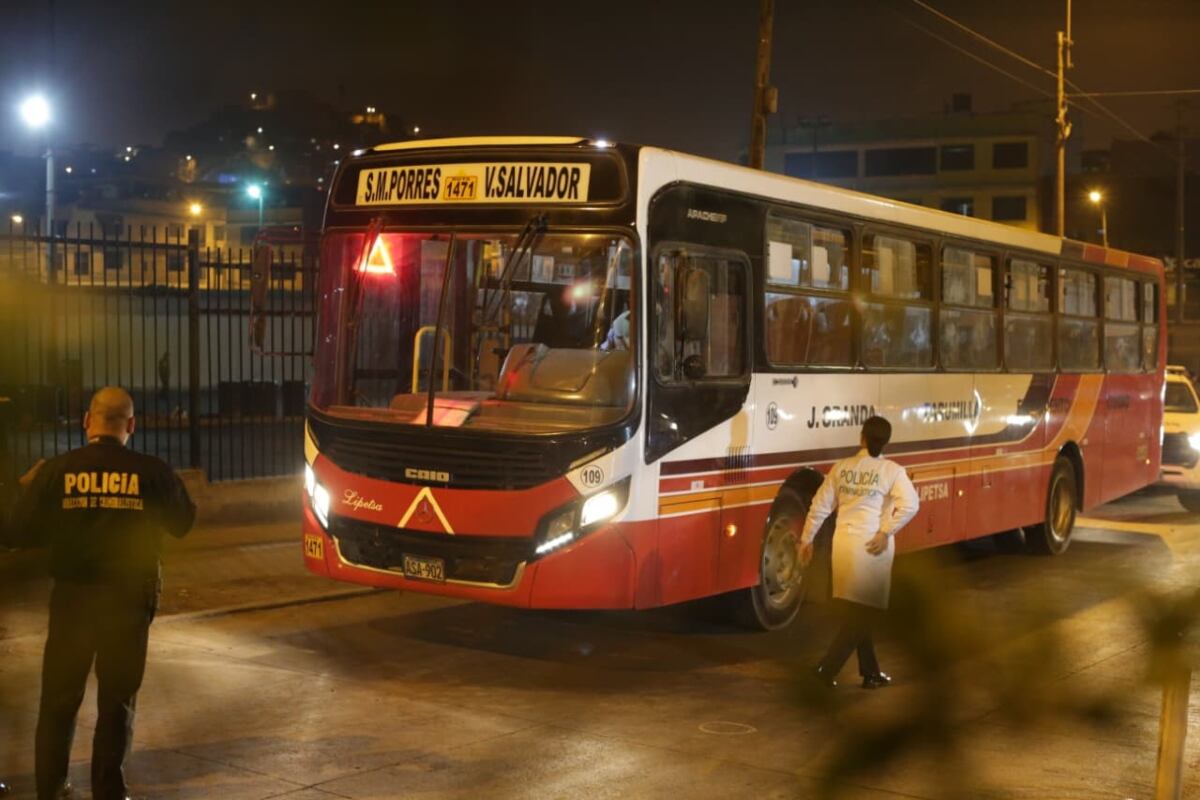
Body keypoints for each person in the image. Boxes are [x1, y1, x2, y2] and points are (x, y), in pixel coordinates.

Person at [5, 387, 196, 800]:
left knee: (58, 699)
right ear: (131, 425)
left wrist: (26, 490)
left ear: (86, 421)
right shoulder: (152, 471)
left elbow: (16, 533)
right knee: (117, 700)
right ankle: (108, 790)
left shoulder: (56, 471)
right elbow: (183, 523)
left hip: (72, 599)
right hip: (128, 601)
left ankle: (51, 789)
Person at [798, 415, 919, 689]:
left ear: (861, 437)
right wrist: (885, 531)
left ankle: (871, 673)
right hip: (872, 548)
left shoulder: (841, 468)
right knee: (864, 614)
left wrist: (806, 541)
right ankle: (825, 671)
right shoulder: (892, 471)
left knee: (858, 612)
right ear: (886, 441)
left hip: (843, 546)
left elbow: (819, 506)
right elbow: (911, 505)